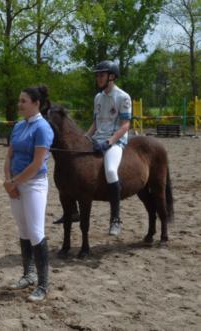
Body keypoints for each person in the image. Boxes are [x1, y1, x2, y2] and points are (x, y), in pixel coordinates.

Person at [4, 85, 53, 302]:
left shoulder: (43, 128)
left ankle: (43, 284)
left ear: (36, 103)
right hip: (15, 184)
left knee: (35, 231)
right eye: (19, 100)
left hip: (33, 185)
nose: (19, 104)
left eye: (23, 101)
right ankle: (28, 274)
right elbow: (9, 156)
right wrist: (8, 181)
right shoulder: (18, 126)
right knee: (23, 230)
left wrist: (14, 182)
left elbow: (36, 164)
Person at [87, 60, 131, 236]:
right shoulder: (98, 97)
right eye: (97, 75)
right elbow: (95, 124)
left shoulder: (123, 97)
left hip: (115, 141)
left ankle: (115, 219)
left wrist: (109, 142)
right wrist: (84, 138)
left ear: (111, 76)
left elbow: (125, 125)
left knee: (111, 171)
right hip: (97, 138)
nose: (98, 78)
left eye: (102, 75)